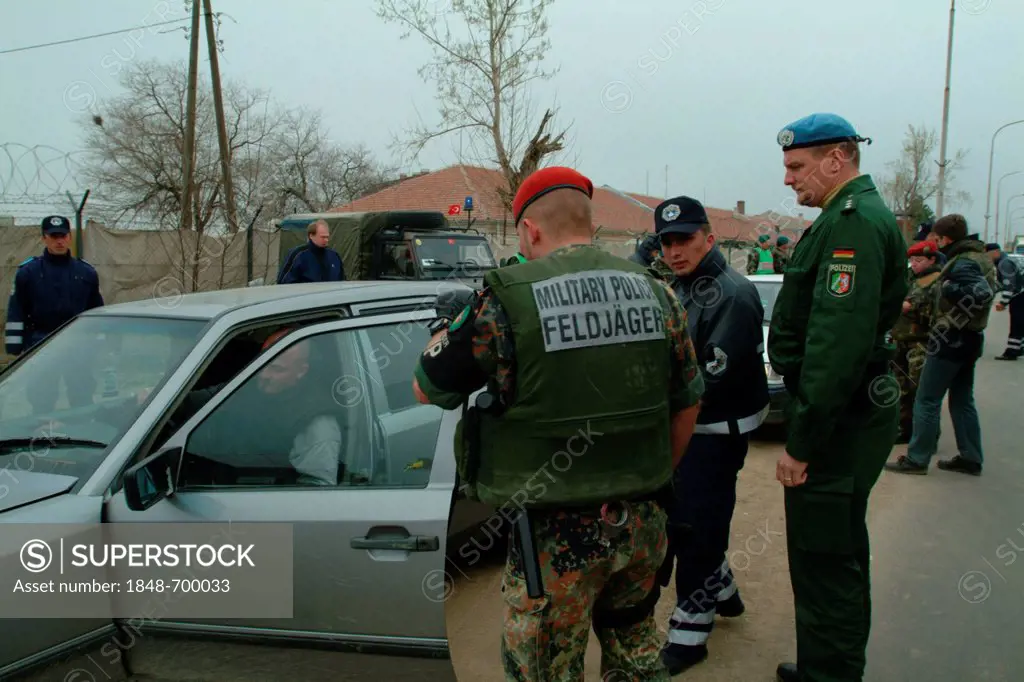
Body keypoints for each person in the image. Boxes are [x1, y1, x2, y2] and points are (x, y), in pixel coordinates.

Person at [410, 166, 704, 681]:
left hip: (554, 537)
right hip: (643, 522)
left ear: (529, 230)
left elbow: (426, 387)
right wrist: (653, 474)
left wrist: (444, 328)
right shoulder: (659, 293)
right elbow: (688, 402)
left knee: (546, 669)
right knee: (636, 655)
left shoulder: (504, 301)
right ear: (588, 224)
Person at [768, 113, 908, 682]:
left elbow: (835, 345)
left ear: (837, 159)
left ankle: (829, 674)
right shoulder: (846, 217)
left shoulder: (849, 223)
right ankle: (826, 665)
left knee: (826, 556)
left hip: (838, 424)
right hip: (846, 417)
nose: (788, 179)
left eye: (797, 166)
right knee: (835, 549)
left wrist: (800, 445)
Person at [651, 196, 770, 675]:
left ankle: (690, 633)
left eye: (686, 240)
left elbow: (704, 383)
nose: (676, 250)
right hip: (690, 426)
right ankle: (724, 592)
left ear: (709, 238)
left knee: (697, 526)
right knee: (687, 518)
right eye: (668, 242)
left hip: (714, 431)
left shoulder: (732, 294)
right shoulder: (681, 286)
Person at [886, 215, 996, 477]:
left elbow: (980, 294)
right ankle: (970, 456)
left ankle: (917, 458)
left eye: (935, 238)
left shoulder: (964, 262)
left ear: (945, 239)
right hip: (968, 339)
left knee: (926, 398)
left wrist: (948, 288)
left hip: (951, 339)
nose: (934, 242)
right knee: (961, 399)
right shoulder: (979, 257)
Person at [4, 215, 105, 413]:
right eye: (53, 236)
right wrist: (15, 347)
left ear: (69, 237)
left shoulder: (86, 272)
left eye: (63, 236)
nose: (59, 241)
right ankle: (42, 435)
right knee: (42, 397)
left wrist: (100, 343)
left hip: (79, 345)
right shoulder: (29, 272)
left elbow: (96, 310)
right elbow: (16, 311)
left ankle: (81, 434)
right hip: (42, 343)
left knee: (82, 396)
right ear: (44, 238)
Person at [891, 240, 945, 443]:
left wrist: (910, 307)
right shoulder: (911, 279)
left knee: (921, 390)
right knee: (901, 387)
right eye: (912, 260)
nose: (914, 264)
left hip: (922, 342)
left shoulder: (937, 281)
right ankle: (905, 429)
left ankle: (927, 434)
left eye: (919, 260)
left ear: (932, 259)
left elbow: (938, 313)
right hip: (902, 339)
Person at [277, 219, 346, 284]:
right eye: (323, 237)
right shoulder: (298, 255)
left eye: (327, 237)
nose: (326, 240)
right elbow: (283, 282)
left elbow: (342, 281)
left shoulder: (334, 256)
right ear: (311, 236)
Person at [987, 243, 1023, 361]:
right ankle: (1018, 347)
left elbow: (1009, 285)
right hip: (1020, 293)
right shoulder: (1006, 260)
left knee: (1017, 322)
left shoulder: (1004, 263)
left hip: (1020, 295)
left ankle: (1012, 351)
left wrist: (1003, 303)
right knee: (1020, 322)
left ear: (996, 252)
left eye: (988, 255)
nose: (987, 258)